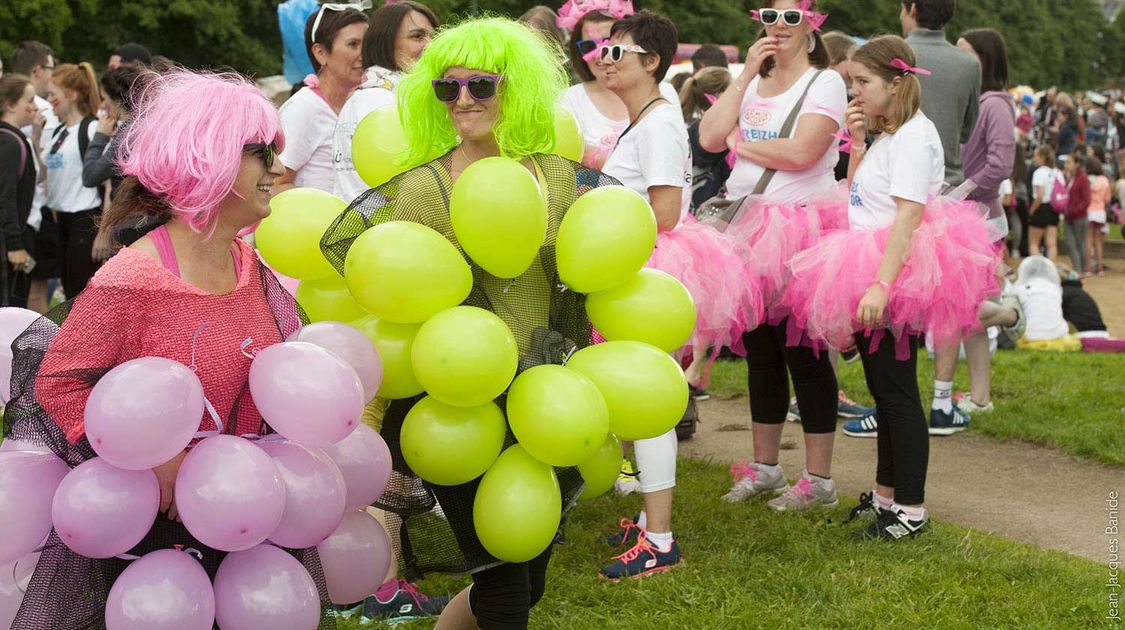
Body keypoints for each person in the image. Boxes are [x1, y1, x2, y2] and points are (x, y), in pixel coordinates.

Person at [4, 70, 339, 629]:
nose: (277, 169)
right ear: (210, 161)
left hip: (247, 517)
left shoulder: (250, 266)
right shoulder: (133, 278)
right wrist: (159, 460)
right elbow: (58, 381)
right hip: (156, 533)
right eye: (261, 153)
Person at [320, 18, 619, 629]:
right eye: (446, 88)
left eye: (480, 85)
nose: (462, 101)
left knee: (525, 576)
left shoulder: (557, 179)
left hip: (543, 399)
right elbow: (399, 299)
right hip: (458, 402)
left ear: (518, 89)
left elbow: (590, 273)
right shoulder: (425, 190)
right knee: (505, 586)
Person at [778, 36, 997, 539]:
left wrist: (881, 285)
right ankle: (885, 499)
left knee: (897, 393)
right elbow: (855, 195)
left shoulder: (916, 136)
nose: (853, 91)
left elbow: (908, 216)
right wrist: (858, 144)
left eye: (863, 82)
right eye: (850, 81)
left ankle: (911, 513)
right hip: (869, 262)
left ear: (897, 83)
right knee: (883, 388)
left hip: (893, 271)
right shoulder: (888, 134)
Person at [597, 8, 757, 580]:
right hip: (635, 268)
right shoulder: (645, 121)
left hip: (647, 269)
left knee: (651, 401)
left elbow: (664, 212)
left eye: (617, 51)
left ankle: (660, 539)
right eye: (603, 50)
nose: (604, 60)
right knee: (645, 398)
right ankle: (648, 520)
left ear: (652, 61)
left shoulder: (660, 123)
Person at [699, 0, 851, 505]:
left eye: (790, 17)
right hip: (746, 227)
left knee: (804, 353)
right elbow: (707, 135)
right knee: (760, 353)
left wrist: (742, 145)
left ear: (812, 23)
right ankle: (766, 469)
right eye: (769, 16)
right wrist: (743, 75)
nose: (778, 27)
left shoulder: (823, 81)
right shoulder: (754, 80)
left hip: (800, 228)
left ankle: (820, 482)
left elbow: (804, 152)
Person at [925, 28, 1017, 419]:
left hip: (982, 220)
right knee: (971, 316)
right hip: (959, 216)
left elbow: (1000, 164)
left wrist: (962, 189)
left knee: (965, 308)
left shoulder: (996, 104)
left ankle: (1012, 313)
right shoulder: (971, 98)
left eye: (964, 53)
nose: (957, 60)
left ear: (984, 59)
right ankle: (980, 397)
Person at [333, 1, 438, 202]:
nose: (431, 45)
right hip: (383, 227)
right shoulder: (378, 100)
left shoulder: (380, 94)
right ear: (386, 42)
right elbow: (395, 184)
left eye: (435, 36)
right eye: (418, 36)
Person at [556, 0, 678, 171]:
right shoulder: (569, 100)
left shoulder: (665, 94)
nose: (602, 55)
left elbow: (672, 164)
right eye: (589, 46)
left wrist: (596, 157)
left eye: (609, 44)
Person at [276, 4, 368, 192]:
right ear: (321, 53)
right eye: (353, 44)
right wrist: (324, 208)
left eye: (368, 44)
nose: (364, 54)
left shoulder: (361, 105)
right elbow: (273, 186)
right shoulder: (303, 108)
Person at [901, 0, 979, 187]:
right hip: (946, 182)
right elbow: (967, 131)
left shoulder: (891, 56)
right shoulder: (969, 65)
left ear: (912, 9)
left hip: (895, 179)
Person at [44, 62, 104, 300]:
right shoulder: (58, 132)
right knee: (68, 289)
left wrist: (105, 230)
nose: (48, 100)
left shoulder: (91, 129)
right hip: (60, 219)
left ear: (71, 93)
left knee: (81, 291)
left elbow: (108, 182)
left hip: (84, 217)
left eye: (53, 94)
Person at [11, 41, 59, 313]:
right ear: (38, 70)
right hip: (32, 213)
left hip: (22, 213)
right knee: (31, 290)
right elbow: (46, 168)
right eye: (51, 69)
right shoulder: (41, 109)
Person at [0, 74, 42, 307]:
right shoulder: (9, 142)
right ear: (9, 104)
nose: (35, 107)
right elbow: (5, 196)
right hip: (8, 244)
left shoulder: (17, 139)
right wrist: (15, 244)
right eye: (30, 100)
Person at [680, 67, 732, 208]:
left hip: (688, 206)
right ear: (722, 94)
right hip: (715, 208)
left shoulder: (683, 125)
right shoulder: (726, 131)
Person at [1028, 145, 1061, 260]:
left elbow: (1040, 195)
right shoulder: (1057, 172)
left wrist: (1032, 210)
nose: (1034, 159)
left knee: (1034, 243)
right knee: (1051, 243)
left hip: (1041, 208)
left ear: (1042, 157)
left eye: (1036, 156)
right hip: (1054, 208)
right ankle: (1050, 268)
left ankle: (1038, 270)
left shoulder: (1039, 172)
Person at [1061, 152, 1090, 275]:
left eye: (1069, 162)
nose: (1066, 165)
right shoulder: (1069, 177)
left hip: (1079, 216)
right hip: (1069, 216)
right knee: (1070, 243)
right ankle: (1078, 269)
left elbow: (1086, 199)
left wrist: (1075, 211)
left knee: (1079, 243)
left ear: (1076, 164)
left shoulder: (1082, 178)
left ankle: (1081, 269)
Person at [1085, 156, 1110, 275]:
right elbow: (1107, 198)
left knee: (1088, 241)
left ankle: (1088, 267)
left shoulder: (1087, 180)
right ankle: (1100, 267)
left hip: (1089, 212)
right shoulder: (1104, 180)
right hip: (1100, 212)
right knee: (1098, 242)